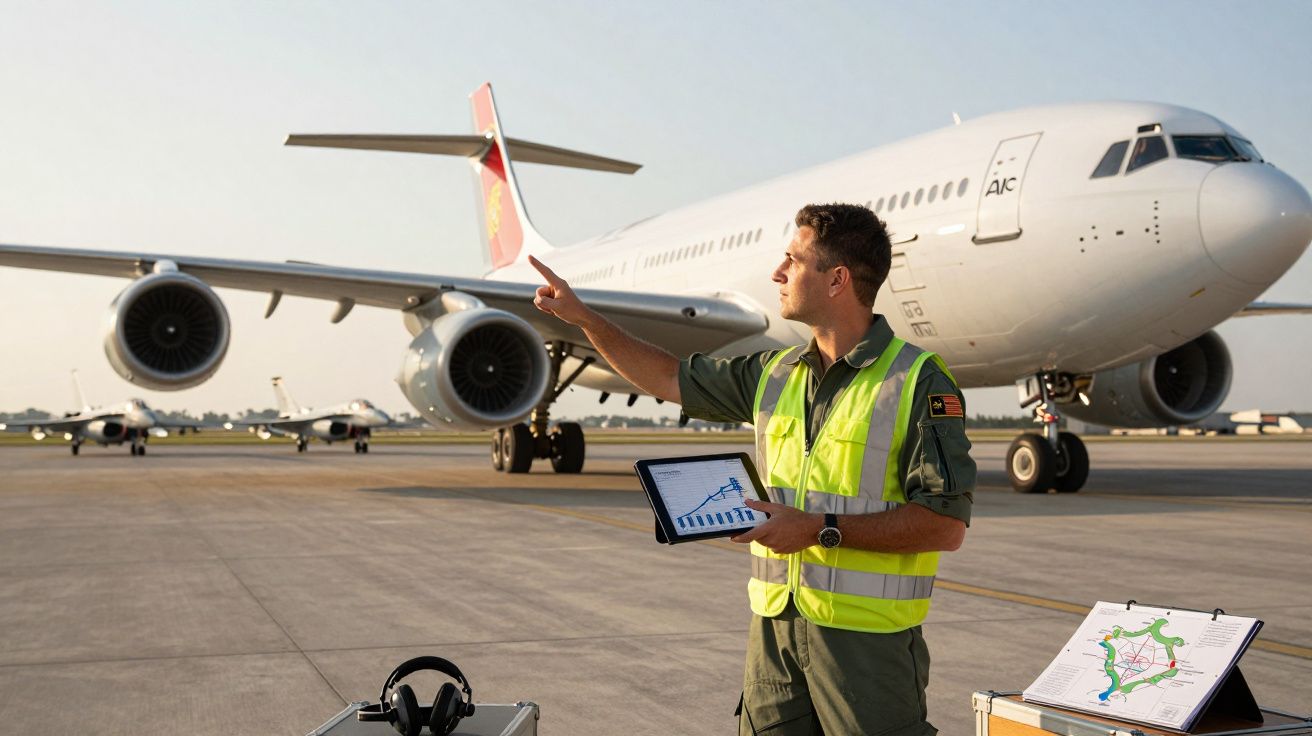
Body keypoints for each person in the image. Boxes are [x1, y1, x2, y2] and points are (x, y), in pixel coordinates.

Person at [530, 203, 975, 735]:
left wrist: (818, 529)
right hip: (774, 636)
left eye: (793, 259)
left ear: (836, 280)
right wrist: (585, 320)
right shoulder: (774, 372)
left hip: (867, 649)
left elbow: (944, 526)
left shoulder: (917, 381)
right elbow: (668, 378)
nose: (777, 273)